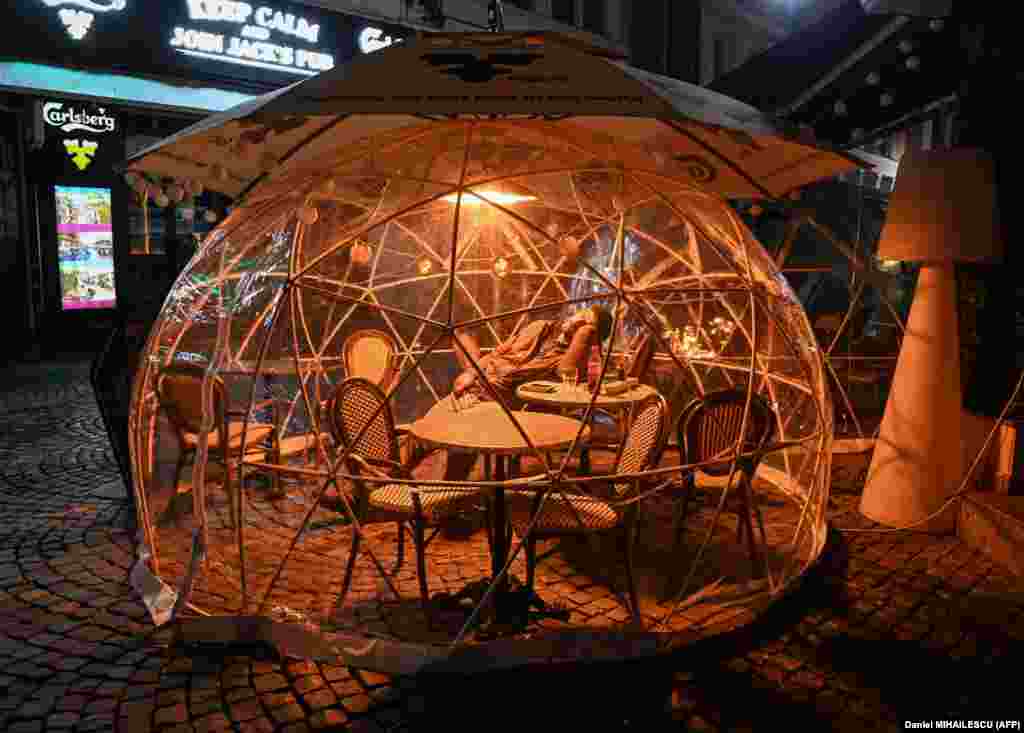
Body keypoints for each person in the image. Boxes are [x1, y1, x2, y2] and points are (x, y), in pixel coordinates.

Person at [409, 305, 615, 481]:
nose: (578, 319)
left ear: (590, 337)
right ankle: (402, 479)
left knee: (458, 432)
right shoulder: (540, 327)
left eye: (586, 323)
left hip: (500, 402)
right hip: (479, 386)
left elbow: (565, 372)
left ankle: (448, 497)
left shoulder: (568, 357)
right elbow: (498, 353)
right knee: (426, 430)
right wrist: (470, 372)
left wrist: (583, 333)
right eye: (582, 313)